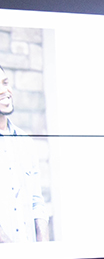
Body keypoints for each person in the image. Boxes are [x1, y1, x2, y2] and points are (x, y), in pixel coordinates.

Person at [0, 64, 48, 243]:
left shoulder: (25, 141)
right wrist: (12, 254)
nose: (4, 91)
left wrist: (43, 251)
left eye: (5, 82)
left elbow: (37, 202)